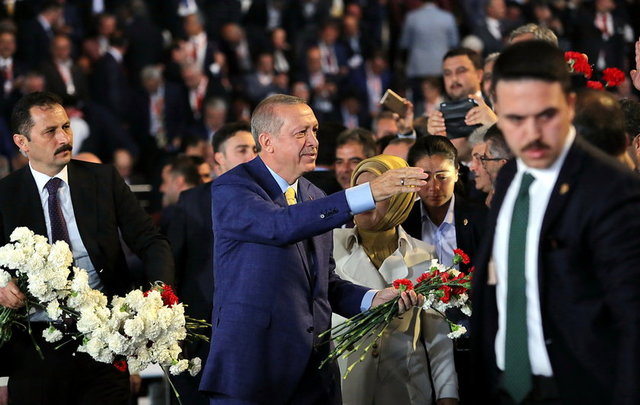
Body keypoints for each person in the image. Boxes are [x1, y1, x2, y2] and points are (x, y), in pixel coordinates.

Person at [199, 94, 427, 404]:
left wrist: (371, 299)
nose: (313, 141)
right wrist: (367, 193)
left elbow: (323, 283)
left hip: (315, 377)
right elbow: (279, 226)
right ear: (267, 142)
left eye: (315, 131)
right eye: (301, 133)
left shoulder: (314, 194)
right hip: (252, 374)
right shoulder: (233, 188)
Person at [471, 40, 640, 404]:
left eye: (545, 115)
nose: (531, 134)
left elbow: (634, 320)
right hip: (506, 387)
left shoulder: (612, 188)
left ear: (570, 104)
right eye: (515, 119)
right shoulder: (510, 175)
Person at [0, 91, 174, 404]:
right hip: (35, 347)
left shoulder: (103, 179)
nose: (64, 138)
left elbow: (151, 240)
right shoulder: (5, 194)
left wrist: (159, 292)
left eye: (66, 127)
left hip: (104, 338)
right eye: (50, 131)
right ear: (22, 142)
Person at [332, 154, 459, 405]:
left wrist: (447, 394)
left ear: (401, 199)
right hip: (346, 388)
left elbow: (437, 337)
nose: (365, 200)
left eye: (377, 192)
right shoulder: (329, 245)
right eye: (360, 191)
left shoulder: (424, 254)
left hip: (405, 390)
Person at [167, 121, 258, 405]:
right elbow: (172, 265)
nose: (251, 156)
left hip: (256, 330)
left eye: (254, 149)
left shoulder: (273, 201)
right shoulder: (191, 202)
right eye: (242, 149)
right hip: (202, 334)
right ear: (219, 158)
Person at [402, 135, 487, 405]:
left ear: (457, 171)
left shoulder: (480, 217)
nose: (433, 187)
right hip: (421, 337)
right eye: (425, 177)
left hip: (473, 335)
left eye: (442, 176)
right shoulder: (403, 222)